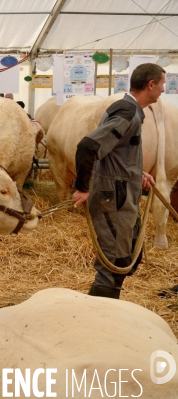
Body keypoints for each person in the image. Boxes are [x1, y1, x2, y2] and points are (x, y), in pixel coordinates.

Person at [72, 63, 165, 299]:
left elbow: (113, 151)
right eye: (162, 84)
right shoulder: (127, 112)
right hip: (113, 197)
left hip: (121, 194)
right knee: (114, 264)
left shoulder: (131, 112)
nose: (164, 89)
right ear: (151, 84)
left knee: (126, 258)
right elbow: (88, 146)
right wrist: (82, 188)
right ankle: (98, 320)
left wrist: (136, 172)